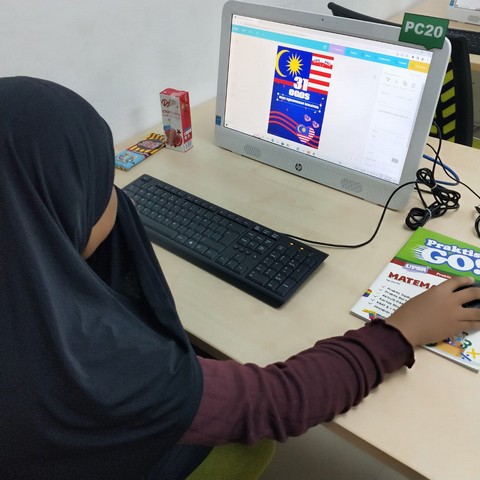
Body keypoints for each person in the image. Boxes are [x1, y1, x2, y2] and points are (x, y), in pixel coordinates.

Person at [2, 76, 480, 480]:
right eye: (100, 181)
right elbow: (277, 402)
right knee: (250, 437)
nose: (116, 195)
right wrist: (401, 332)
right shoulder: (100, 366)